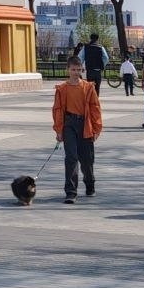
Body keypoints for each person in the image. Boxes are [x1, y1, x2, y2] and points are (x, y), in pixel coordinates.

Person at [51, 56, 102, 203]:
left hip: (85, 124)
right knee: (71, 157)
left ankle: (90, 183)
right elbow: (57, 109)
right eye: (73, 70)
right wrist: (59, 130)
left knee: (86, 160)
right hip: (69, 125)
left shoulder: (88, 87)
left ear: (82, 70)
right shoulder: (62, 89)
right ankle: (71, 191)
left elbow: (95, 108)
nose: (76, 73)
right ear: (67, 70)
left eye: (79, 70)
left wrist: (96, 128)